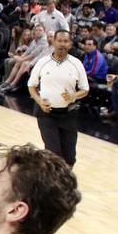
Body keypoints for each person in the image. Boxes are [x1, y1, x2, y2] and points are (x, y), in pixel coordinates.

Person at [27, 29, 88, 166]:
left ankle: (65, 185)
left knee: (70, 157)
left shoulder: (76, 64)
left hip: (68, 114)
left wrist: (73, 96)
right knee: (53, 154)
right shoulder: (43, 62)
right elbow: (31, 86)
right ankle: (51, 185)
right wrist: (39, 101)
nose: (62, 44)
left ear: (70, 44)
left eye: (66, 41)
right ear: (53, 42)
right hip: (46, 113)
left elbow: (85, 89)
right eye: (59, 41)